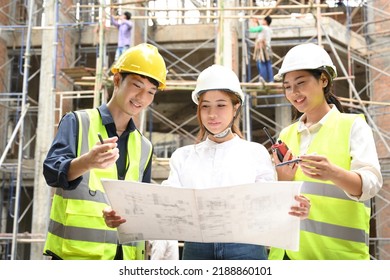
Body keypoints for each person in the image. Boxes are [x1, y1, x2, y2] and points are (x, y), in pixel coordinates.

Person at [103, 64, 311, 260]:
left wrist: (292, 205)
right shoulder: (183, 157)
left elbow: (269, 209)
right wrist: (125, 216)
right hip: (196, 251)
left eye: (221, 105)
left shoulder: (255, 153)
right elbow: (165, 208)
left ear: (236, 106)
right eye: (205, 107)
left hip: (246, 250)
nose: (212, 115)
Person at [42, 43, 167, 260]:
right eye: (137, 85)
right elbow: (51, 173)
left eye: (150, 92)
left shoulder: (144, 147)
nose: (142, 97)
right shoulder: (78, 122)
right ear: (117, 80)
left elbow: (141, 205)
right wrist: (86, 163)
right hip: (76, 259)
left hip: (126, 260)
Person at [268, 43, 383, 260]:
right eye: (288, 87)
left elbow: (371, 185)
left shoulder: (353, 126)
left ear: (323, 80)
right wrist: (282, 184)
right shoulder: (286, 134)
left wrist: (332, 173)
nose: (294, 93)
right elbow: (272, 200)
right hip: (284, 255)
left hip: (336, 258)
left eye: (301, 83)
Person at [248, 15, 273, 83]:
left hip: (262, 48)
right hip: (267, 48)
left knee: (261, 64)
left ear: (265, 21)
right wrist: (257, 23)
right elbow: (260, 31)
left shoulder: (263, 27)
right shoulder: (269, 29)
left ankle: (263, 79)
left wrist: (253, 23)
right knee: (268, 64)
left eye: (263, 20)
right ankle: (271, 80)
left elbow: (252, 30)